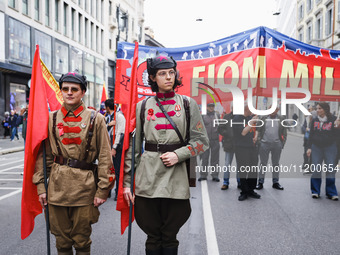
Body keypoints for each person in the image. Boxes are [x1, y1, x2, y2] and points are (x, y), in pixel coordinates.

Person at [123, 55, 209, 255]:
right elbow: (134, 149)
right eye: (162, 74)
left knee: (170, 235)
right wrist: (127, 183)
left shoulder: (188, 104)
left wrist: (178, 155)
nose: (168, 77)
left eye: (171, 72)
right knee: (152, 236)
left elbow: (202, 141)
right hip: (148, 179)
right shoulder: (142, 106)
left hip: (176, 179)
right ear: (153, 77)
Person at [33, 72, 114, 255]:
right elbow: (43, 157)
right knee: (61, 242)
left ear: (83, 92)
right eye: (65, 89)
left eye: (74, 89)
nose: (69, 93)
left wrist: (103, 190)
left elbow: (104, 157)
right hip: (56, 189)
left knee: (82, 241)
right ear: (61, 91)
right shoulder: (51, 118)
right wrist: (41, 187)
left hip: (84, 189)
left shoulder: (96, 118)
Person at [306, 102, 339, 200]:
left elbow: (337, 134)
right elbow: (311, 134)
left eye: (319, 108)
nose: (317, 110)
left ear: (325, 109)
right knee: (316, 169)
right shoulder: (314, 120)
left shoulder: (333, 120)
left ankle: (331, 192)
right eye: (317, 108)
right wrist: (309, 147)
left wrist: (338, 126)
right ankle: (315, 191)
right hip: (316, 147)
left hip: (330, 147)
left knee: (330, 170)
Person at [233, 104, 261, 201]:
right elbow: (243, 132)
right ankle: (244, 191)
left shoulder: (250, 117)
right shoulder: (237, 118)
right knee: (243, 170)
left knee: (253, 169)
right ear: (246, 109)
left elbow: (256, 129)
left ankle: (251, 189)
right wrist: (252, 122)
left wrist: (256, 136)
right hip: (242, 148)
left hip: (252, 147)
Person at [256, 106, 287, 190]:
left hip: (277, 144)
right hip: (264, 144)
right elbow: (258, 130)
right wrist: (260, 141)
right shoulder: (263, 117)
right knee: (263, 163)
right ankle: (260, 182)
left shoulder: (281, 118)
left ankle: (275, 182)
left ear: (277, 110)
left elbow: (284, 132)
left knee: (276, 163)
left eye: (274, 109)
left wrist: (282, 144)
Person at [105, 98, 126, 201]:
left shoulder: (119, 116)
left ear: (107, 107)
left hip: (116, 146)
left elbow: (120, 134)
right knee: (108, 170)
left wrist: (114, 147)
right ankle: (108, 191)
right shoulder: (108, 117)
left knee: (117, 170)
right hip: (108, 145)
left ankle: (118, 192)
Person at [217, 108, 240, 190]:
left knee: (239, 165)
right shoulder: (227, 117)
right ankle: (225, 182)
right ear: (232, 108)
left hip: (239, 144)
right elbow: (220, 128)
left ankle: (239, 182)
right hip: (229, 143)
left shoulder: (242, 117)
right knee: (227, 164)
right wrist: (227, 133)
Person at [198, 103, 220, 182]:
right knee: (204, 158)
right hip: (205, 140)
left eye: (212, 106)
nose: (211, 108)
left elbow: (220, 126)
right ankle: (203, 175)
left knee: (215, 159)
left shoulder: (217, 115)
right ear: (207, 107)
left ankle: (215, 175)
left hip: (215, 140)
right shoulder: (203, 115)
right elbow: (199, 127)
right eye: (209, 106)